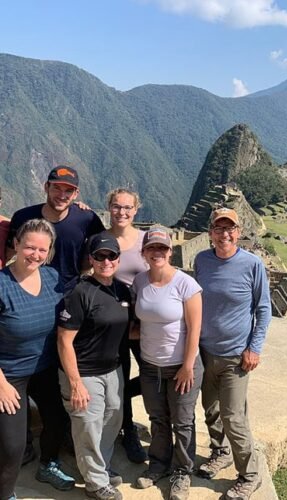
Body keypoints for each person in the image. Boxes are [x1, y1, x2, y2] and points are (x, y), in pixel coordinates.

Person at [194, 208, 271, 500]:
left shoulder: (253, 264)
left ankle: (250, 475)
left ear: (238, 232)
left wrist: (255, 348)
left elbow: (264, 310)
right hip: (204, 351)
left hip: (236, 356)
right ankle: (220, 452)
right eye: (218, 228)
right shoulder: (201, 260)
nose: (224, 234)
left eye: (230, 229)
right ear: (210, 232)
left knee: (233, 416)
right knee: (211, 410)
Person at [0, 219, 75, 500]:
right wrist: (1, 383)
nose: (35, 255)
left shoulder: (53, 279)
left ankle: (48, 465)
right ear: (16, 244)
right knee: (12, 446)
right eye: (30, 247)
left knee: (56, 421)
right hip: (10, 375)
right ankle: (6, 493)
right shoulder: (1, 285)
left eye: (42, 250)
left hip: (44, 368)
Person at [57, 232, 131, 500]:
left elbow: (127, 329)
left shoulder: (122, 290)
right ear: (91, 259)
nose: (106, 261)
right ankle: (95, 483)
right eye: (99, 256)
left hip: (113, 369)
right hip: (84, 372)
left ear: (118, 259)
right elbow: (64, 341)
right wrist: (75, 383)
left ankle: (99, 468)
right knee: (88, 425)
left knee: (112, 420)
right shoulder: (80, 292)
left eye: (111, 255)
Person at [133, 226, 203, 500]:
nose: (157, 252)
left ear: (170, 251)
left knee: (183, 421)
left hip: (181, 366)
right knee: (158, 418)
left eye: (162, 248)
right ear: (144, 252)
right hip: (151, 365)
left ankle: (182, 472)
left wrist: (187, 366)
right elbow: (139, 323)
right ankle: (159, 464)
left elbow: (195, 328)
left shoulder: (186, 284)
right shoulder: (140, 282)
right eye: (152, 248)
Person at [7, 165, 105, 293]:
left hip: (69, 292)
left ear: (76, 194)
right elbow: (8, 253)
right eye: (56, 188)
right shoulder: (23, 217)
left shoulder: (86, 219)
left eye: (69, 190)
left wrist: (86, 269)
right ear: (46, 187)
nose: (62, 195)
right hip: (26, 289)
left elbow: (103, 246)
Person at [106, 188, 148, 464]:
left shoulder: (147, 240)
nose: (122, 212)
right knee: (119, 374)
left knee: (153, 375)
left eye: (127, 207)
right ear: (109, 207)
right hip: (113, 322)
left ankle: (120, 403)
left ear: (136, 210)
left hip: (143, 322)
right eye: (117, 206)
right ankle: (128, 429)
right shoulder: (100, 239)